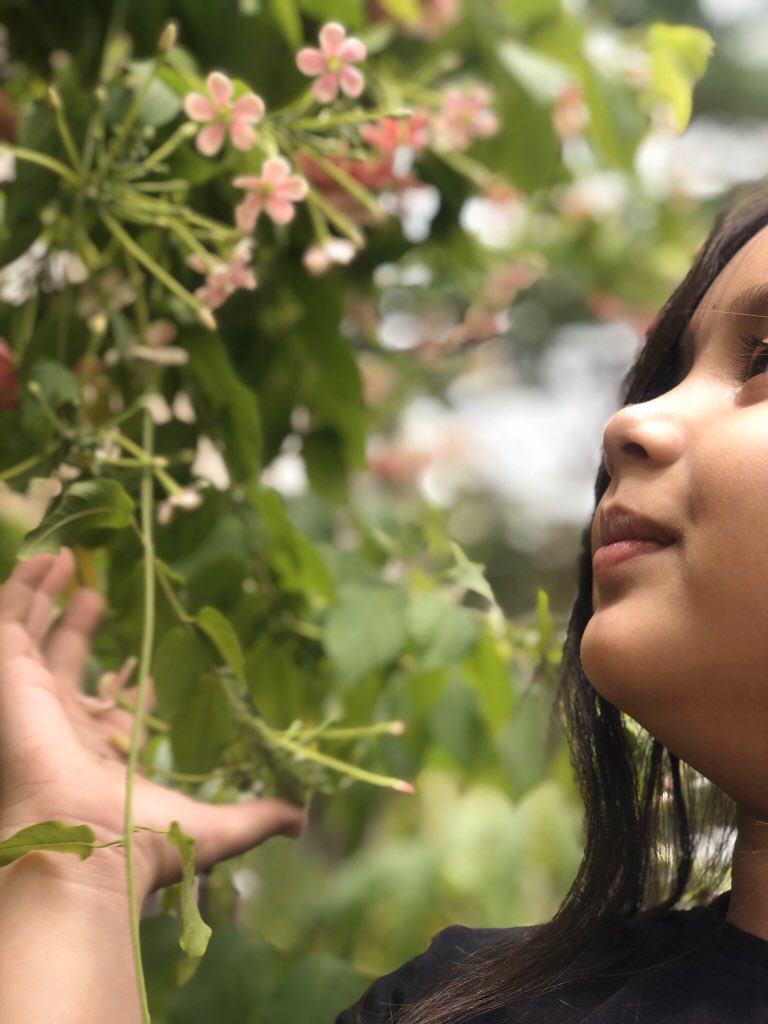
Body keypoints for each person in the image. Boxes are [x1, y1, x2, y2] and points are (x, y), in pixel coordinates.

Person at [5, 185, 768, 1023]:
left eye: (764, 358)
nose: (630, 421)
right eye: (673, 370)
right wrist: (75, 859)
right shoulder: (460, 1004)